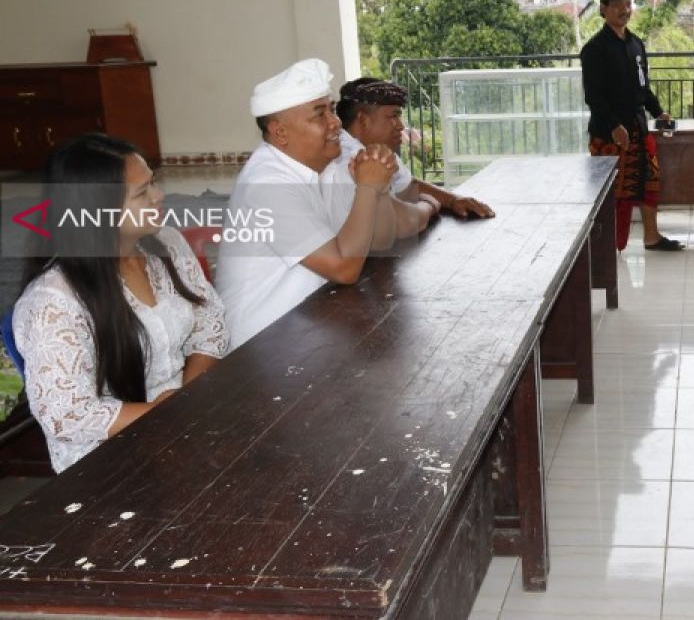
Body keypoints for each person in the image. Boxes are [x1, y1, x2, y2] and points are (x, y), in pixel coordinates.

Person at [13, 133, 230, 472]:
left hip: (181, 421)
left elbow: (209, 323)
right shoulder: (53, 301)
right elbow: (68, 415)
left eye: (153, 183)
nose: (159, 196)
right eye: (142, 192)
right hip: (106, 457)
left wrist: (188, 399)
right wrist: (166, 413)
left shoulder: (166, 244)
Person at [216, 59, 424, 348]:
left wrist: (378, 190)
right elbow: (343, 269)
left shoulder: (329, 165)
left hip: (313, 326)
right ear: (280, 132)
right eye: (319, 115)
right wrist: (368, 186)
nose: (335, 122)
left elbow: (381, 239)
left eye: (330, 109)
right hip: (260, 349)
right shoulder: (267, 183)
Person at [581, 0, 682, 252]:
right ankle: (611, 248)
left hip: (639, 128)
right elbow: (593, 96)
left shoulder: (636, 44)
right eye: (617, 5)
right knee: (616, 194)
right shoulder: (594, 49)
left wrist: (659, 111)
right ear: (603, 9)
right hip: (609, 134)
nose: (624, 10)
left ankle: (652, 237)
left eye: (628, 4)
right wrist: (614, 126)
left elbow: (643, 87)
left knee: (650, 183)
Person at [334, 77, 494, 219]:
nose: (401, 125)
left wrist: (453, 200)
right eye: (393, 116)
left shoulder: (374, 150)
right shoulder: (342, 160)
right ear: (363, 120)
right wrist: (430, 205)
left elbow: (408, 185)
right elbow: (395, 221)